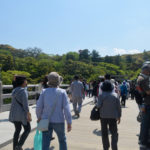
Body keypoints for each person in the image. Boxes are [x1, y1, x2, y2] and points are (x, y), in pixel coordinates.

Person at [36, 72, 72, 150]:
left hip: (45, 120)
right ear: (58, 80)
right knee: (62, 140)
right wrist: (69, 122)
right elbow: (66, 108)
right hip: (59, 120)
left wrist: (39, 117)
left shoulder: (44, 91)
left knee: (45, 141)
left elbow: (39, 107)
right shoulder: (62, 92)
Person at [97, 80, 121, 150]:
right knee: (114, 133)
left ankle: (106, 147)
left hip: (103, 116)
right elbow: (118, 107)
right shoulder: (115, 95)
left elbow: (98, 106)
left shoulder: (101, 95)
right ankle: (114, 147)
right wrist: (119, 116)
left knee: (104, 133)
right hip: (113, 117)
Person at [9, 76, 31, 150]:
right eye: (25, 81)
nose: (26, 82)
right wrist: (28, 114)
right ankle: (19, 146)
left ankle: (15, 147)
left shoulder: (14, 90)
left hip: (14, 114)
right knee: (28, 129)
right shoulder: (23, 91)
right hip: (21, 114)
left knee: (17, 130)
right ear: (22, 82)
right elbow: (25, 105)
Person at [137, 64, 150, 150]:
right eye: (149, 70)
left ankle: (143, 141)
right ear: (145, 70)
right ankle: (144, 142)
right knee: (146, 124)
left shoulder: (141, 78)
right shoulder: (143, 79)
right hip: (148, 103)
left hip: (145, 103)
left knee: (145, 123)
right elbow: (148, 92)